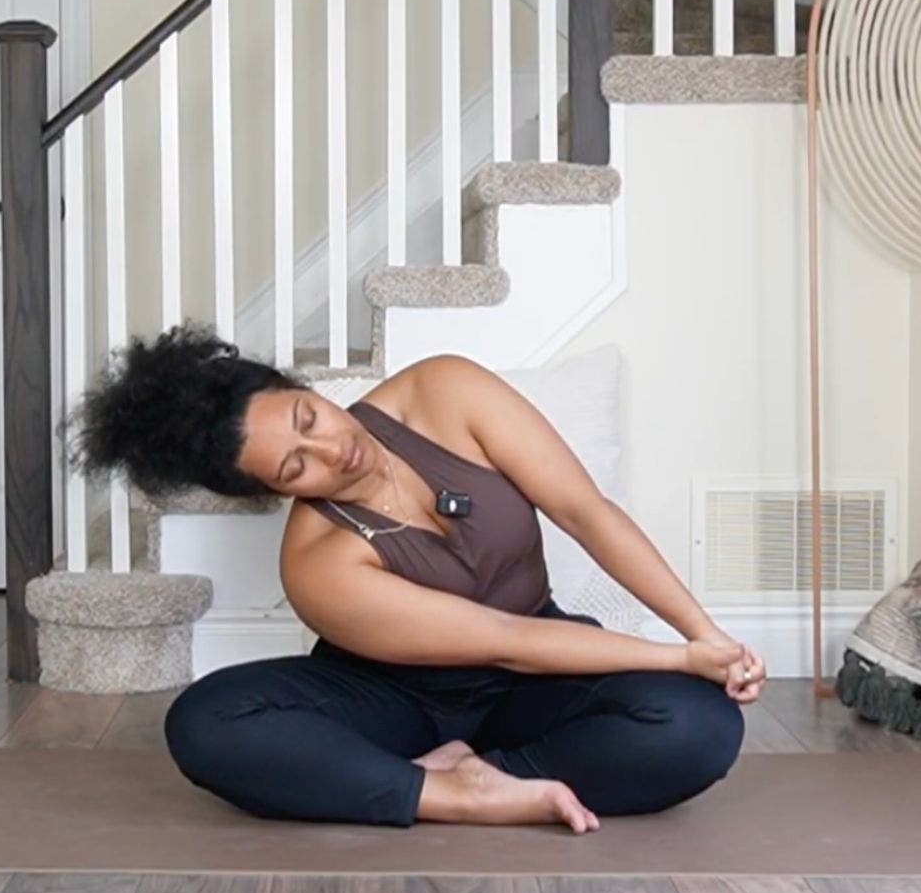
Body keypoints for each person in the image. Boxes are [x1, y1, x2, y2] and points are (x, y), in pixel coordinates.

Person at [69, 324, 765, 832]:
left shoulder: (446, 391)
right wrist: (677, 658)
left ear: (302, 388)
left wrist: (704, 639)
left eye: (308, 419)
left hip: (535, 671)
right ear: (270, 493)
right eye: (295, 468)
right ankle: (453, 795)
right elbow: (499, 637)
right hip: (397, 702)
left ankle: (477, 773)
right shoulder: (318, 563)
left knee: (698, 726)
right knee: (206, 722)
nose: (332, 452)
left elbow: (586, 513)